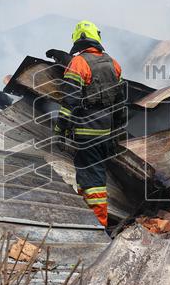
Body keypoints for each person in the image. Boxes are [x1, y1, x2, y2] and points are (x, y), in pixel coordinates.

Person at [53, 20, 124, 228]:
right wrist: (117, 130)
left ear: (78, 40)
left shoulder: (78, 64)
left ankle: (97, 226)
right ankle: (87, 221)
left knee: (92, 182)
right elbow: (120, 102)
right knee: (87, 178)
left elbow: (69, 102)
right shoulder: (114, 63)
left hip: (87, 132)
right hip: (106, 131)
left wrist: (60, 130)